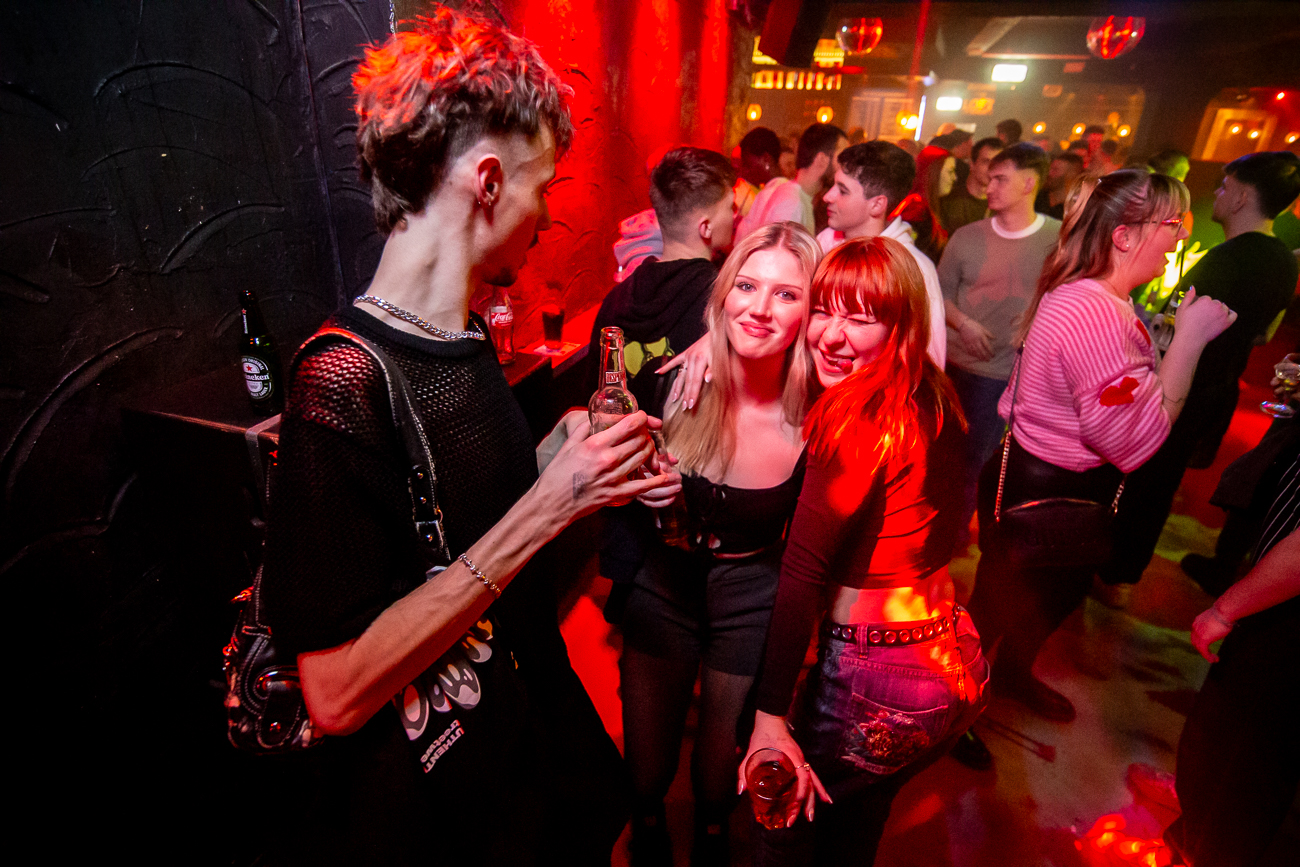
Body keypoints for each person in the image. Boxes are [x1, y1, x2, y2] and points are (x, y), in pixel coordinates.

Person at [258, 12, 668, 864]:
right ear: (487, 181)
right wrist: (549, 506)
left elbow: (453, 523)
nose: (545, 215)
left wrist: (561, 456)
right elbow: (333, 692)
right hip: (451, 804)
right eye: (542, 187)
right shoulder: (340, 381)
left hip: (529, 743)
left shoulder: (466, 334)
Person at [956, 169, 1236, 769]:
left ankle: (1010, 675)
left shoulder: (1099, 297)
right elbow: (1134, 441)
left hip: (1057, 481)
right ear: (1124, 236)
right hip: (1045, 487)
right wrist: (1190, 341)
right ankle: (950, 712)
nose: (1181, 236)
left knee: (1050, 597)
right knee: (997, 606)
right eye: (1173, 223)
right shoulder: (1094, 313)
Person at [740, 237, 985, 865]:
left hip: (875, 674)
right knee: (855, 830)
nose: (831, 335)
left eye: (860, 318)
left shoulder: (854, 418)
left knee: (787, 828)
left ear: (900, 325)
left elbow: (802, 574)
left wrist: (769, 717)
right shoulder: (929, 390)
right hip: (945, 656)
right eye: (824, 310)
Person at [620, 222, 818, 866]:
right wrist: (639, 490)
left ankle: (711, 840)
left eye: (787, 295)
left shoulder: (818, 413)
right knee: (646, 765)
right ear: (723, 293)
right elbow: (611, 484)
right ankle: (648, 832)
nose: (759, 308)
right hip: (664, 583)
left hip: (750, 592)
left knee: (717, 770)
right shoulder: (678, 382)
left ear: (810, 313)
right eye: (747, 286)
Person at [1097, 151, 1300, 600]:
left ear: (1243, 196)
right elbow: (1264, 334)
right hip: (1219, 388)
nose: (1217, 194)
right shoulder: (1284, 261)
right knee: (1160, 485)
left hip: (1182, 384)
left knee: (1143, 483)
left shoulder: (1225, 260)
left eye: (1225, 186)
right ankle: (1123, 572)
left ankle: (1113, 571)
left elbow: (1174, 333)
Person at [1165, 450, 1299, 866]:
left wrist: (1226, 610)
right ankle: (1196, 842)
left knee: (1238, 761)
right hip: (1280, 609)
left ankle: (1203, 851)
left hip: (1287, 625)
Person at [939, 142, 1059, 547]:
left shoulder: (1058, 240)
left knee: (976, 457)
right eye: (989, 178)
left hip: (1003, 373)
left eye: (1000, 179)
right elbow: (939, 293)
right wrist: (964, 323)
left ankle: (952, 535)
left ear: (1029, 183)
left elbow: (1068, 298)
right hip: (952, 365)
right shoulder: (967, 236)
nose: (989, 186)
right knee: (940, 454)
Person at [818, 140, 947, 367]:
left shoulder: (913, 268)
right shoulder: (826, 241)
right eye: (832, 185)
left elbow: (929, 358)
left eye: (843, 190)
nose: (827, 196)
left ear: (877, 204)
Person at [739, 123, 848, 237]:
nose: (845, 165)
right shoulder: (791, 203)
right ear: (822, 159)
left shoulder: (799, 198)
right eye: (841, 157)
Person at [897, 144, 956, 262]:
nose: (954, 178)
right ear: (933, 173)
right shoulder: (916, 212)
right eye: (950, 172)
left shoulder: (933, 207)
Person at [941, 136, 1003, 234]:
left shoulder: (1002, 207)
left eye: (997, 164)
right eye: (986, 162)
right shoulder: (949, 202)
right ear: (972, 164)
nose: (992, 168)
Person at [1035, 151, 1085, 220]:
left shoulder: (1076, 209)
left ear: (1071, 175)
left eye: (1055, 170)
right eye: (1050, 168)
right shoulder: (1035, 198)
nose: (1049, 173)